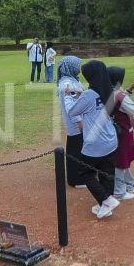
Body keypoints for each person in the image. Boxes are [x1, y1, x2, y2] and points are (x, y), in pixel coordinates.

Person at [68, 60, 121, 218]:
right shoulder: (109, 91)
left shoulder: (89, 95)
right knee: (107, 172)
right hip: (110, 140)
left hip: (95, 143)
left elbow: (73, 111)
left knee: (85, 173)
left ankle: (106, 199)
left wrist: (74, 97)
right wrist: (81, 96)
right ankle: (105, 205)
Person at [107, 66, 134, 199]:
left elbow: (118, 100)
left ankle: (130, 184)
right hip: (123, 131)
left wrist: (130, 89)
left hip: (115, 130)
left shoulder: (109, 91)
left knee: (123, 159)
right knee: (121, 160)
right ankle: (120, 191)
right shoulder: (119, 95)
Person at [56, 55, 86, 187]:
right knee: (75, 150)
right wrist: (79, 121)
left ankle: (78, 176)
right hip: (76, 123)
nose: (79, 68)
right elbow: (71, 107)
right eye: (77, 65)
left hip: (78, 122)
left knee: (76, 148)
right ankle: (76, 179)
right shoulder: (66, 84)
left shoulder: (71, 80)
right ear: (70, 67)